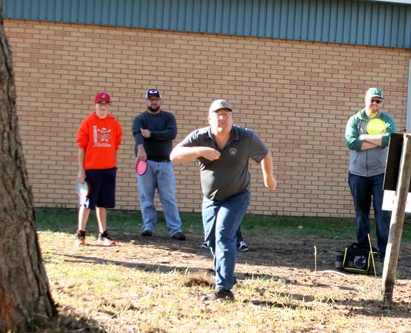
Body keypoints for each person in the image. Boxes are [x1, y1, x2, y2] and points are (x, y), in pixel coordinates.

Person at [170, 99, 277, 301]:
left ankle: (224, 290)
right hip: (210, 199)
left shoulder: (245, 136)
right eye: (218, 115)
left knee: (223, 236)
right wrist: (200, 151)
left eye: (227, 114)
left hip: (237, 196)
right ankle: (226, 276)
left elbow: (265, 154)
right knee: (211, 240)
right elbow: (174, 155)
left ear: (232, 118)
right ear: (209, 118)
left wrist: (268, 177)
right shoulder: (200, 137)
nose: (222, 118)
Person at [344, 87, 397, 258]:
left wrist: (364, 137)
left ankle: (385, 251)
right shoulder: (355, 120)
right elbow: (352, 143)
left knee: (383, 213)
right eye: (372, 100)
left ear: (381, 102)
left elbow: (390, 139)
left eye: (378, 101)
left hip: (380, 173)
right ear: (366, 100)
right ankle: (363, 248)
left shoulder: (386, 119)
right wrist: (378, 141)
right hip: (358, 173)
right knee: (362, 212)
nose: (374, 103)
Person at [132, 89, 185, 240]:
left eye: (156, 99)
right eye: (150, 99)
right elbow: (137, 135)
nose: (153, 102)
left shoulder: (168, 117)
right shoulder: (140, 119)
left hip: (165, 163)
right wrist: (141, 149)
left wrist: (151, 134)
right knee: (146, 197)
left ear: (160, 101)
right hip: (145, 163)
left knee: (168, 198)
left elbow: (171, 133)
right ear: (146, 101)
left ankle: (175, 229)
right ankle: (148, 226)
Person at [75, 92, 123, 247]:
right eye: (100, 104)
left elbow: (115, 146)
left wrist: (113, 166)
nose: (103, 107)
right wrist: (81, 170)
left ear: (109, 106)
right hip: (91, 170)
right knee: (87, 203)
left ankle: (103, 235)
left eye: (106, 104)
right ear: (95, 105)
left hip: (108, 170)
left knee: (103, 204)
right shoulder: (88, 122)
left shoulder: (114, 123)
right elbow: (81, 147)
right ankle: (80, 234)